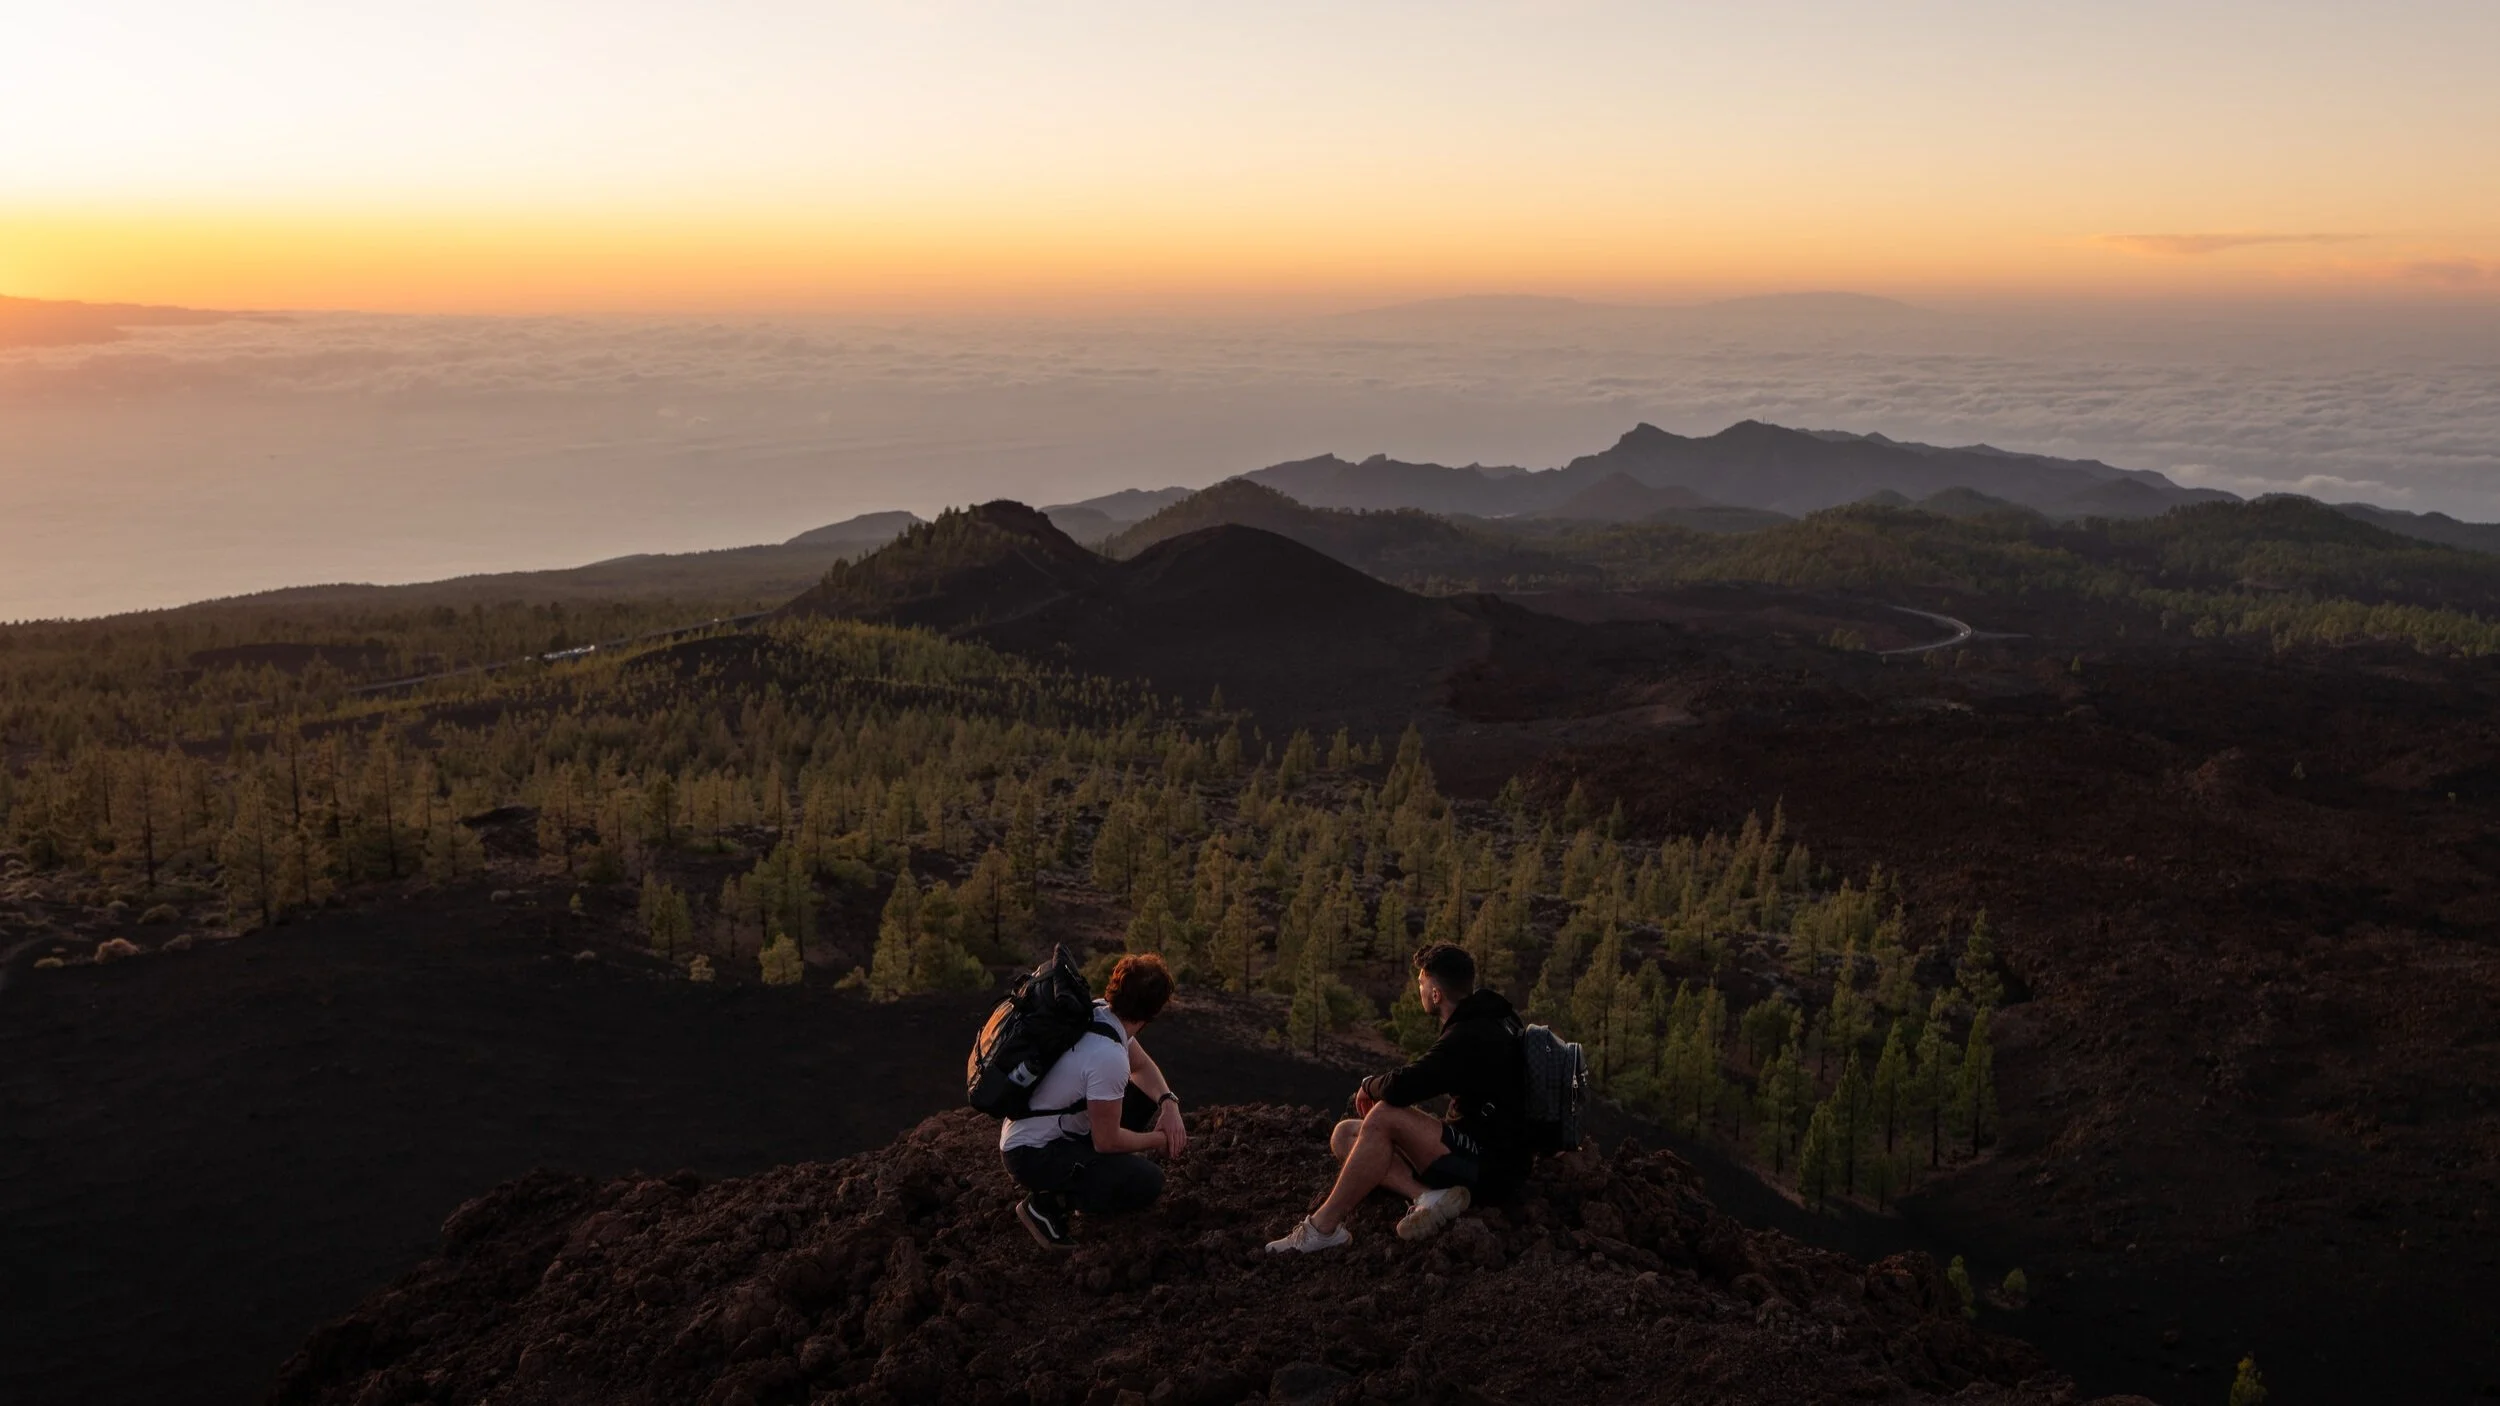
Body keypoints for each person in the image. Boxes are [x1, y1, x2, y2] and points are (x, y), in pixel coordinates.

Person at [1267, 942, 1529, 1254]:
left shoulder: (1467, 1035)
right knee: (1345, 1134)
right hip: (1487, 1152)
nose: (1418, 990)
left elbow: (1404, 1086)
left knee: (1384, 1115)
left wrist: (1369, 1086)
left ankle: (1321, 1229)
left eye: (1421, 983)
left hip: (1489, 1168)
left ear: (1436, 994)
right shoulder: (1494, 1018)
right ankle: (1426, 1196)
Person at [1001, 953, 1188, 1250]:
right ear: (1153, 1012)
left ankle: (1093, 1180)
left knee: (1143, 1096)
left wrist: (1169, 1103)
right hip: (1033, 1154)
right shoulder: (1108, 1056)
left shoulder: (1099, 1012)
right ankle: (1047, 1205)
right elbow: (1106, 1142)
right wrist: (1159, 1140)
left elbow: (1142, 1067)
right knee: (1148, 1181)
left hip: (1036, 1132)